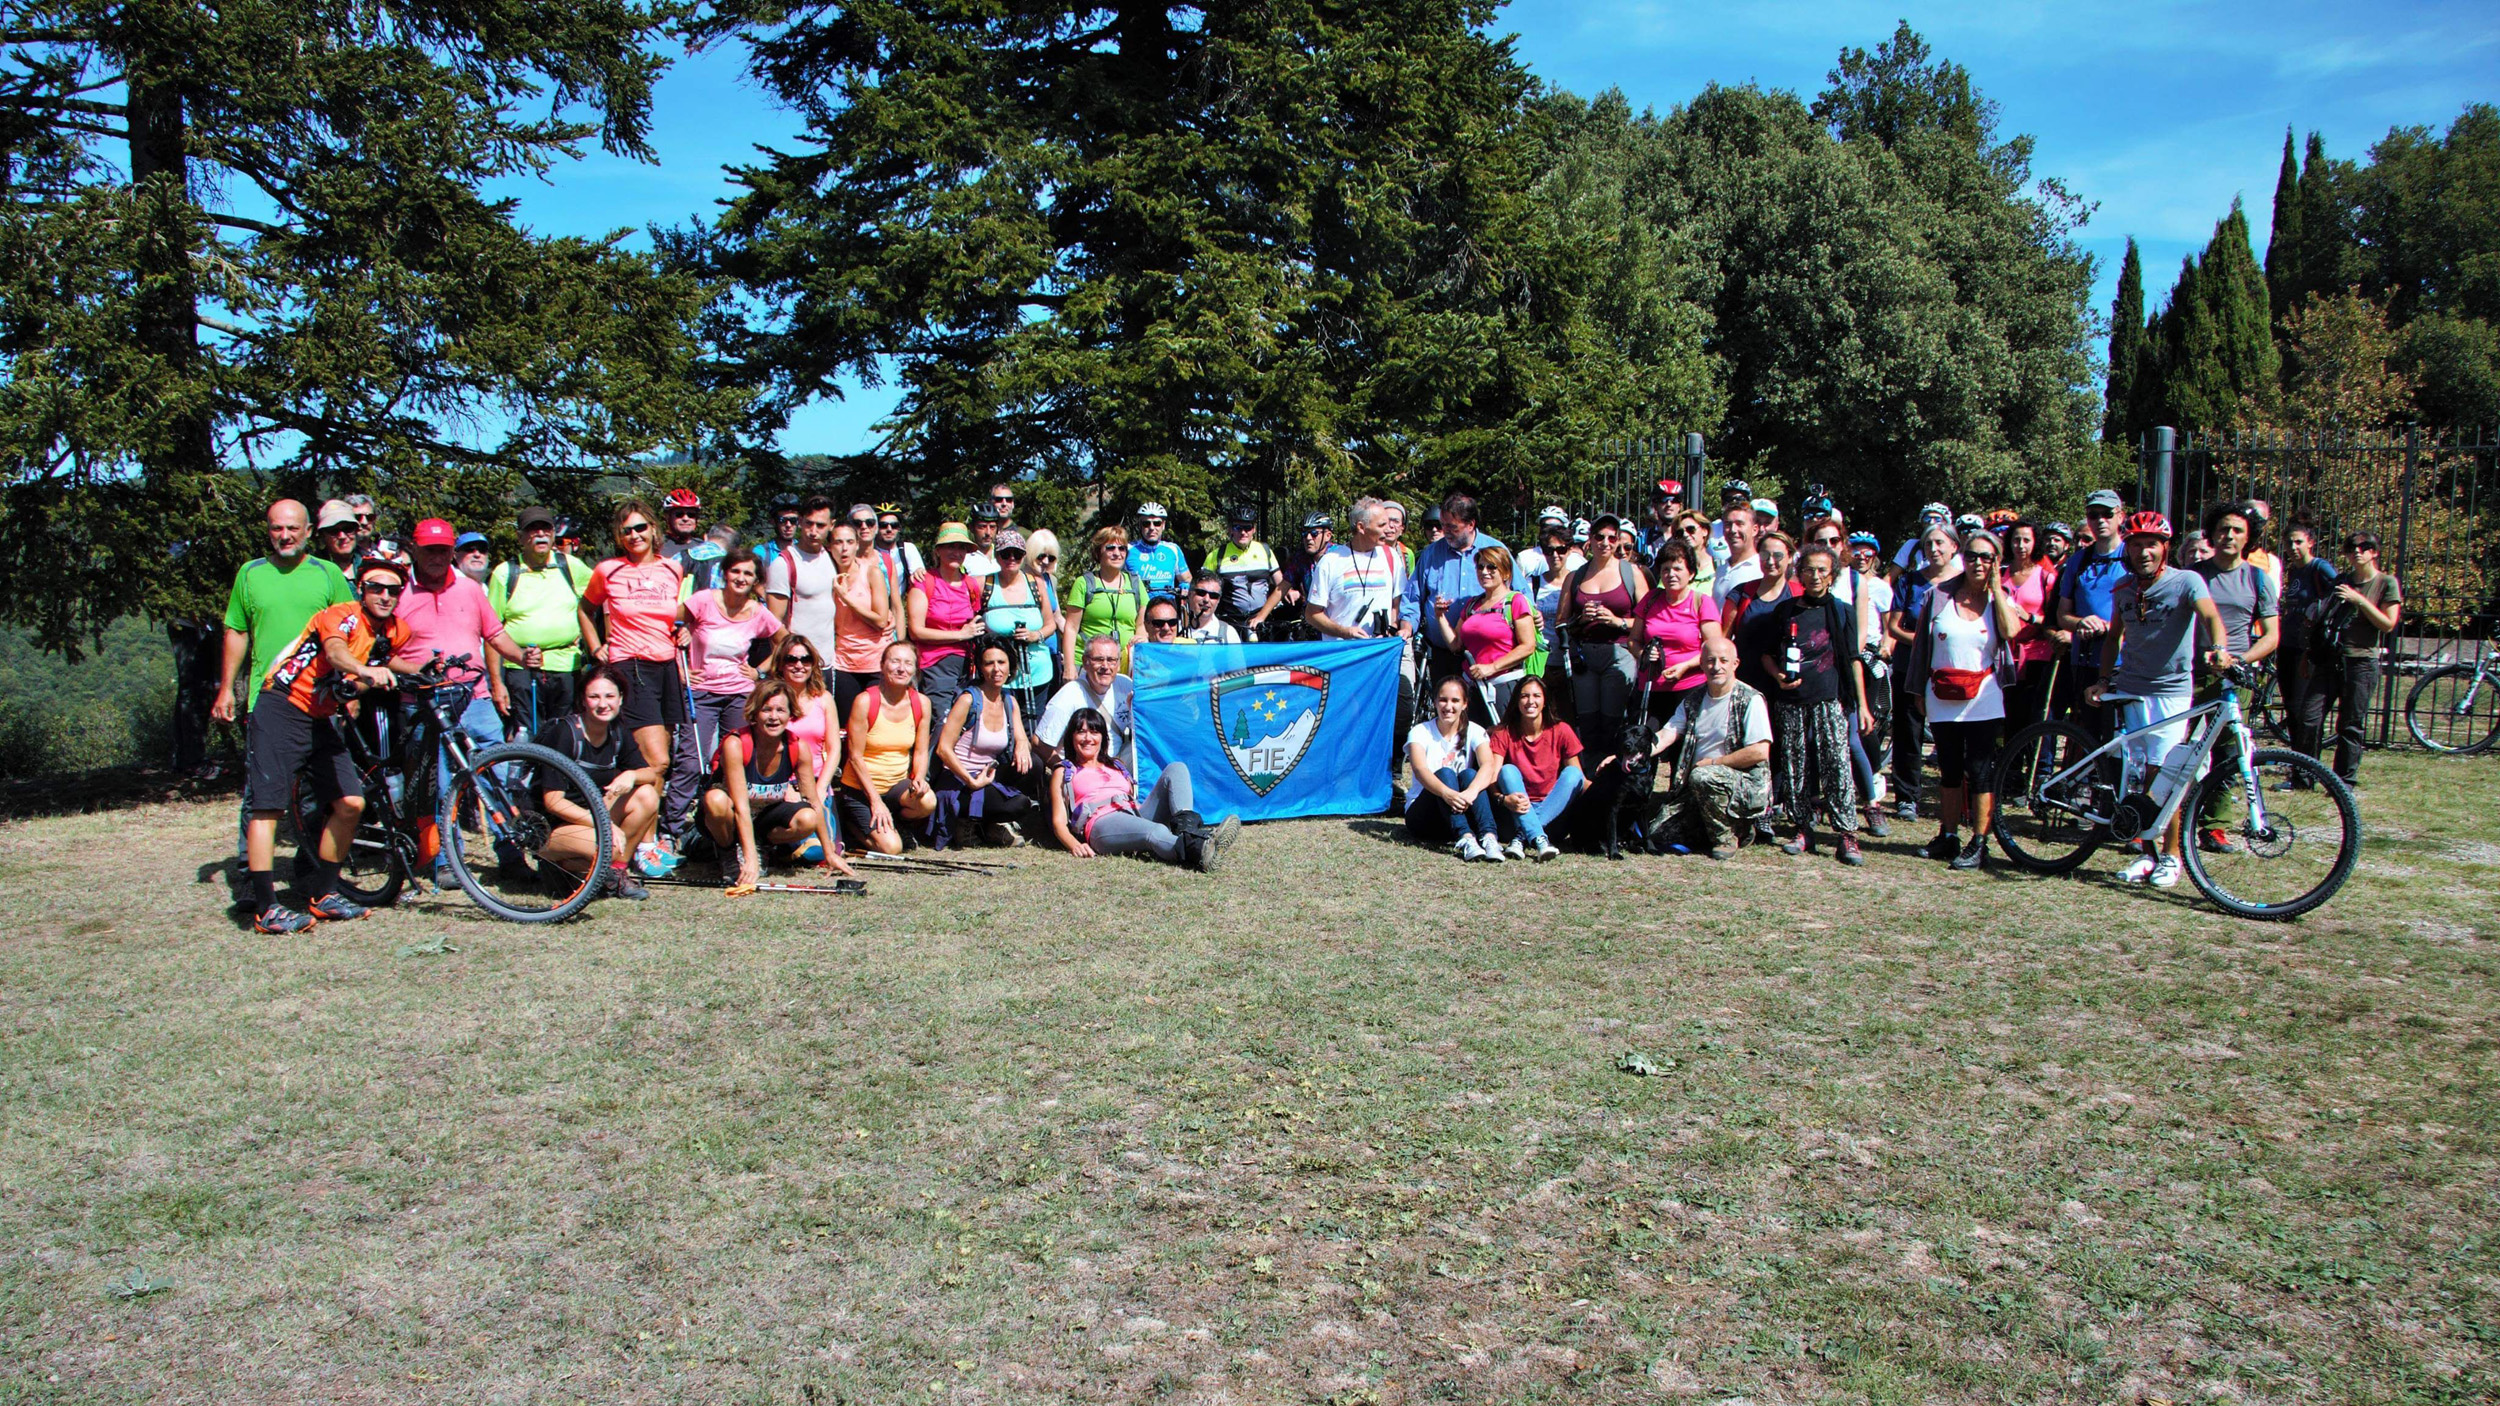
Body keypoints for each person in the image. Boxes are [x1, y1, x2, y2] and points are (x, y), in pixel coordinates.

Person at [242, 556, 419, 933]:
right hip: (281, 706)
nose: (384, 596)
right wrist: (363, 672)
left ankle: (324, 895)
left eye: (393, 589)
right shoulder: (341, 614)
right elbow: (338, 651)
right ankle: (266, 908)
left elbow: (390, 658)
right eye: (376, 587)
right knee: (268, 808)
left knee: (351, 803)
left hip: (321, 717)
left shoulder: (393, 629)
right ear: (362, 589)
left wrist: (428, 669)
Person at [2086, 512, 2233, 889]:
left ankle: (2171, 856)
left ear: (2164, 548)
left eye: (2150, 544)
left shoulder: (2187, 581)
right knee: (2140, 778)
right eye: (2135, 544)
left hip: (2171, 692)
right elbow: (2113, 638)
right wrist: (2104, 680)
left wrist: (2218, 648)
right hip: (2132, 688)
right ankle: (2148, 856)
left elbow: (2211, 616)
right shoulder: (2122, 588)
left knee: (2168, 778)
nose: (2143, 552)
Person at [396, 517, 532, 876]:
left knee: (496, 776)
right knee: (441, 786)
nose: (437, 557)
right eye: (430, 550)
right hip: (426, 702)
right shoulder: (399, 591)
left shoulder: (470, 589)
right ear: (415, 550)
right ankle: (446, 861)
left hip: (475, 697)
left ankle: (511, 853)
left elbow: (495, 633)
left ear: (452, 552)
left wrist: (521, 656)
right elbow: (382, 648)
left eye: (443, 550)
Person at [580, 499, 691, 877]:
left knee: (659, 762)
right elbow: (585, 608)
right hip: (631, 666)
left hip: (666, 667)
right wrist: (597, 647)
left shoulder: (671, 569)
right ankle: (631, 842)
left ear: (654, 530)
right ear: (618, 535)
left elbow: (673, 615)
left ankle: (650, 841)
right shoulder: (608, 570)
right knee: (654, 760)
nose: (635, 535)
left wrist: (685, 629)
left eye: (641, 528)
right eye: (627, 530)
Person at [1911, 528, 2024, 869]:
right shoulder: (1939, 595)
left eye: (1987, 557)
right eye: (1973, 555)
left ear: (1996, 562)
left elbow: (2012, 631)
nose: (1978, 562)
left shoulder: (1999, 597)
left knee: (1979, 771)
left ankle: (1980, 841)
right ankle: (1948, 835)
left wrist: (1996, 592)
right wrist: (1918, 690)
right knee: (1948, 769)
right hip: (1941, 693)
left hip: (1983, 696)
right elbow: (1921, 647)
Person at [213, 500, 354, 736]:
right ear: (268, 531)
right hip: (266, 699)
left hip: (318, 698)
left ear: (308, 531)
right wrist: (226, 689)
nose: (285, 536)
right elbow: (237, 632)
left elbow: (352, 633)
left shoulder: (329, 573)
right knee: (270, 773)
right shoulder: (250, 574)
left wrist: (350, 686)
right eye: (277, 529)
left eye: (293, 528)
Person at [1766, 545, 1866, 865]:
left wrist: (1862, 704)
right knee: (1795, 766)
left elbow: (1853, 660)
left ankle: (1847, 834)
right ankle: (1802, 828)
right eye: (1809, 569)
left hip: (1830, 697)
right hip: (1792, 699)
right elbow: (1767, 654)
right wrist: (1778, 676)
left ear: (1833, 575)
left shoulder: (1841, 611)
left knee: (1836, 764)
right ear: (1800, 572)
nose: (1816, 576)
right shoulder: (1785, 611)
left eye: (1823, 570)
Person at [1047, 707, 1239, 870]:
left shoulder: (1116, 764)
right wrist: (1074, 845)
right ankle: (1200, 850)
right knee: (1154, 832)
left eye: (1094, 731)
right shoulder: (1065, 771)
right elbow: (1058, 822)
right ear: (1071, 737)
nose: (1088, 738)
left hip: (1134, 813)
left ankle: (1187, 830)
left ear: (1103, 737)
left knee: (1176, 768)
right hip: (1101, 824)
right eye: (1081, 732)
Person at [701, 681, 853, 886]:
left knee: (807, 817)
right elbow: (741, 807)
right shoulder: (736, 744)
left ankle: (760, 846)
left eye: (781, 710)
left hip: (764, 817)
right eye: (767, 710)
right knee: (715, 799)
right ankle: (727, 851)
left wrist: (830, 853)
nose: (774, 717)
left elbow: (814, 801)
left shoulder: (797, 747)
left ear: (791, 715)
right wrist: (751, 861)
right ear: (755, 713)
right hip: (730, 814)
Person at [531, 665, 660, 901]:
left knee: (647, 795)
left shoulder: (617, 730)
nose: (603, 704)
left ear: (621, 698)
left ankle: (615, 874)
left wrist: (631, 776)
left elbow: (650, 774)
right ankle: (554, 864)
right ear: (583, 700)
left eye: (610, 696)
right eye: (594, 697)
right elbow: (553, 802)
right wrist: (604, 825)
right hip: (552, 827)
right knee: (609, 847)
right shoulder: (565, 732)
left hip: (592, 815)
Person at [2193, 501, 2279, 851]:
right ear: (2211, 535)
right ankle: (2159, 820)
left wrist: (2236, 659)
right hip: (2191, 673)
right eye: (2223, 529)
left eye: (2237, 530)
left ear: (2249, 538)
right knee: (2176, 748)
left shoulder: (2257, 578)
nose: (2229, 536)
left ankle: (2214, 826)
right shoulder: (2192, 574)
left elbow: (2272, 636)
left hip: (2234, 676)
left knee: (2229, 752)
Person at [677, 546, 784, 829]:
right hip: (700, 691)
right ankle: (672, 828)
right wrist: (681, 670)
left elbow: (785, 641)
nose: (740, 577)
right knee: (690, 761)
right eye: (735, 570)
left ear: (755, 580)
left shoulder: (758, 612)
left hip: (738, 694)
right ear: (724, 573)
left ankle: (730, 825)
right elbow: (670, 627)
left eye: (748, 573)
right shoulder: (702, 601)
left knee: (732, 763)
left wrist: (759, 671)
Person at [1649, 637, 1773, 859]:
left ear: (1735, 664)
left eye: (1724, 660)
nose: (1717, 667)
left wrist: (1715, 763)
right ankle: (1714, 828)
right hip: (1701, 786)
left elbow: (1759, 752)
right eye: (1710, 661)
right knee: (1658, 833)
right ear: (1702, 664)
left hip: (1740, 784)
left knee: (1703, 776)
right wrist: (1628, 755)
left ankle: (1728, 836)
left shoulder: (1750, 699)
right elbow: (1667, 735)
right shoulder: (1693, 701)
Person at [2298, 530, 2402, 787]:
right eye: (2350, 547)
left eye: (2364, 546)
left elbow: (2388, 624)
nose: (2357, 551)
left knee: (2350, 724)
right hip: (2329, 659)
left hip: (2361, 662)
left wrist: (2361, 601)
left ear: (2374, 552)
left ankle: (2343, 782)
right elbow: (2324, 618)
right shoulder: (2341, 581)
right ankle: (2304, 776)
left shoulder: (2386, 583)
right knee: (2309, 718)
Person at [1885, 522, 1964, 822]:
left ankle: (1956, 796)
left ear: (1954, 547)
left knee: (1951, 733)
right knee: (1909, 731)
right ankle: (1907, 797)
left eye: (1941, 543)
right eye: (1929, 544)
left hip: (1951, 668)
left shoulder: (1962, 582)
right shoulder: (1910, 581)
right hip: (1911, 665)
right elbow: (1894, 626)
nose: (1934, 549)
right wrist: (1925, 643)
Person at [489, 506, 591, 737]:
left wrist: (593, 641)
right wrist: (497, 683)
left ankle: (559, 773)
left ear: (553, 533)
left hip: (566, 665)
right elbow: (491, 631)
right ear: (521, 537)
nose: (540, 534)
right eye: (532, 530)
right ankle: (532, 773)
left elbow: (599, 598)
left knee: (564, 732)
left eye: (546, 529)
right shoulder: (505, 573)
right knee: (527, 733)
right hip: (520, 667)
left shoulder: (570, 566)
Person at [932, 636, 1039, 848]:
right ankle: (973, 822)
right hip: (959, 780)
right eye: (989, 663)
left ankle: (988, 825)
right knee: (1017, 804)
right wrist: (971, 781)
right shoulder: (968, 700)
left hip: (988, 775)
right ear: (981, 668)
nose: (996, 669)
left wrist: (1020, 744)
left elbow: (1022, 738)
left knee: (1034, 765)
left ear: (1010, 666)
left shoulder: (1009, 700)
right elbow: (943, 749)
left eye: (1001, 662)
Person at [1555, 515, 1648, 758]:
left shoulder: (1632, 573)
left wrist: (1618, 622)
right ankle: (1588, 773)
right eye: (1599, 536)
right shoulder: (1575, 577)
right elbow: (1561, 623)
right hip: (1585, 654)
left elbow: (1648, 618)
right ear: (1590, 540)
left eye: (1611, 538)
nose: (1605, 542)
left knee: (1613, 719)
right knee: (1587, 720)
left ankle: (1613, 769)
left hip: (1620, 653)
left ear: (1618, 541)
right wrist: (1581, 619)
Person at [1412, 494, 1527, 687]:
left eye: (1452, 527)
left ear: (1471, 525)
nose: (1444, 531)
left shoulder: (1495, 550)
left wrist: (1532, 615)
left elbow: (1522, 594)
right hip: (1443, 652)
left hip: (1488, 660)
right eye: (1443, 525)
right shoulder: (1431, 553)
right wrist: (1408, 627)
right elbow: (1412, 597)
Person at [839, 641, 938, 853]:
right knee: (892, 849)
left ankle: (897, 824)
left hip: (896, 788)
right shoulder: (865, 701)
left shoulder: (921, 703)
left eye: (908, 663)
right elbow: (855, 757)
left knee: (927, 800)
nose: (901, 668)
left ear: (915, 669)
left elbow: (920, 751)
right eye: (895, 662)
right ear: (883, 665)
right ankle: (851, 828)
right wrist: (875, 801)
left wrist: (919, 778)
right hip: (862, 790)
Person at [1404, 676, 1504, 861]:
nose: (1448, 706)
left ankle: (1489, 837)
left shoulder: (1475, 730)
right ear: (1434, 701)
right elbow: (1420, 770)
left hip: (1459, 808)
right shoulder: (1420, 732)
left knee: (1470, 774)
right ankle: (1465, 838)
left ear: (1465, 704)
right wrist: (1446, 793)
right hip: (1425, 816)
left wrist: (1471, 792)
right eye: (1443, 700)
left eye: (1455, 701)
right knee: (1445, 773)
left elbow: (1488, 765)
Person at [2055, 488, 2131, 727]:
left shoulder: (2133, 556)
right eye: (2093, 514)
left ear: (2121, 515)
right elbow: (2062, 615)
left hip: (2124, 662)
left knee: (2120, 737)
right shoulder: (2078, 561)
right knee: (2087, 735)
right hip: (2085, 661)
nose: (2100, 520)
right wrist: (2081, 623)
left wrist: (2110, 627)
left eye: (2107, 513)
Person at [1488, 676, 1582, 861]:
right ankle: (1536, 835)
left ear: (1545, 700)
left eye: (1536, 696)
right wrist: (1503, 799)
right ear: (1516, 701)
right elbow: (1491, 778)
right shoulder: (1503, 732)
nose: (1530, 701)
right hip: (1515, 811)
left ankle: (1523, 836)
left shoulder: (1562, 730)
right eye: (1524, 696)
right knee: (1507, 770)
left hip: (1553, 814)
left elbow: (1578, 780)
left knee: (1573, 773)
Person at [1634, 538, 1723, 724]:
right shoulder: (1650, 600)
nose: (1670, 574)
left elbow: (1714, 649)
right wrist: (1643, 654)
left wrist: (1685, 666)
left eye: (1677, 569)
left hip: (1689, 687)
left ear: (1691, 574)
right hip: (1651, 688)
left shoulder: (1701, 603)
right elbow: (1633, 641)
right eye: (1665, 569)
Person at [1450, 544, 1537, 725]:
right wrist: (1439, 617)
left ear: (1505, 573)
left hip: (1503, 686)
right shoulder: (1472, 604)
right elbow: (1456, 645)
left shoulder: (1516, 601)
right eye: (1480, 567)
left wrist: (1492, 668)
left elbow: (1528, 645)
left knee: (1502, 741)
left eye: (1491, 567)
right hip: (1472, 687)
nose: (1484, 572)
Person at [908, 522, 985, 722]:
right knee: (939, 722)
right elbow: (916, 630)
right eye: (950, 546)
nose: (956, 552)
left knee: (962, 722)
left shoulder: (971, 584)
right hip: (934, 665)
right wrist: (960, 634)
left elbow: (975, 622)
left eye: (961, 547)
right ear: (938, 550)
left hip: (966, 665)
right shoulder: (924, 582)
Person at [981, 531, 1061, 719]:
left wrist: (1035, 635)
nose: (1011, 558)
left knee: (1033, 724)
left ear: (1024, 556)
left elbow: (1050, 624)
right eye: (1005, 553)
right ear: (996, 556)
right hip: (999, 672)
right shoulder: (985, 584)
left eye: (1017, 554)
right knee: (1002, 722)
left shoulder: (1037, 584)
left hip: (1036, 671)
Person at [2276, 518, 2338, 750]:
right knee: (2291, 707)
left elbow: (2339, 591)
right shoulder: (2294, 571)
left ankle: (2306, 767)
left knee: (2304, 709)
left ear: (2310, 542)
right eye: (2289, 543)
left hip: (2308, 647)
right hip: (2288, 643)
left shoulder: (2319, 567)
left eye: (2298, 542)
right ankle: (2297, 760)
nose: (2293, 548)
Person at [1998, 520, 2062, 732]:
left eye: (2026, 540)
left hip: (2037, 654)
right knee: (2006, 714)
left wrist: (2030, 617)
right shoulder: (1999, 575)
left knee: (2031, 714)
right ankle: (2008, 763)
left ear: (2036, 543)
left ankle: (2033, 761)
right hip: (2003, 653)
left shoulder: (2046, 577)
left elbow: (2055, 620)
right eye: (2016, 540)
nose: (2021, 545)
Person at [1036, 634, 1136, 768]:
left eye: (1111, 660)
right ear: (1085, 662)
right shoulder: (1069, 695)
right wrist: (1066, 772)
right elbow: (1039, 743)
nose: (1105, 666)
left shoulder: (1126, 685)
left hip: (1116, 763)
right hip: (1082, 767)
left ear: (1118, 663)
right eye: (1098, 659)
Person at [828, 517, 893, 721]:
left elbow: (881, 620)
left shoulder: (871, 573)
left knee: (876, 724)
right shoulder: (827, 576)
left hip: (876, 661)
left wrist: (845, 597)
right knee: (846, 726)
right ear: (830, 547)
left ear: (857, 545)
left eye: (849, 542)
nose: (844, 549)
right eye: (838, 542)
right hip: (844, 663)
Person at [766, 497, 840, 674]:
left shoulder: (833, 558)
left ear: (831, 525)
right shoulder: (784, 564)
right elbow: (773, 623)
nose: (813, 531)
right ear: (800, 522)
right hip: (796, 665)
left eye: (820, 525)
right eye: (809, 524)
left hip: (828, 663)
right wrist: (793, 656)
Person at [1064, 525, 1147, 673]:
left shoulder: (1135, 584)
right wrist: (1069, 667)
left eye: (1122, 548)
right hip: (1089, 665)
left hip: (1125, 664)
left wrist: (1140, 639)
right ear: (1098, 552)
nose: (1117, 553)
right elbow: (1071, 628)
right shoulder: (1083, 584)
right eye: (1110, 548)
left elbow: (1140, 625)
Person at [762, 631, 841, 778]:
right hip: (780, 782)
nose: (799, 665)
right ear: (780, 664)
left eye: (806, 659)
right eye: (791, 659)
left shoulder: (824, 699)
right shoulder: (768, 699)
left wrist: (822, 788)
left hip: (817, 779)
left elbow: (834, 749)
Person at [1210, 506, 1284, 639]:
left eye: (1248, 527)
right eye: (1238, 527)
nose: (1243, 532)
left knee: (1264, 659)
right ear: (1230, 529)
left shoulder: (1265, 550)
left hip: (1262, 619)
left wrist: (1291, 591)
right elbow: (1201, 585)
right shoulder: (1217, 555)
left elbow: (1282, 584)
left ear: (1254, 529)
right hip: (1231, 622)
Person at [870, 507, 923, 639]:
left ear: (899, 528)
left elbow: (919, 574)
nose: (889, 529)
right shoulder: (870, 552)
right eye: (883, 525)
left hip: (897, 608)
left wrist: (918, 572)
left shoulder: (906, 549)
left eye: (894, 525)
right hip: (873, 611)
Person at [1279, 513, 1333, 633]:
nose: (1308, 538)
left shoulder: (1339, 556)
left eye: (1314, 533)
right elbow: (1282, 587)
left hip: (1336, 622)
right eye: (1304, 533)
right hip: (1312, 622)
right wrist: (1261, 617)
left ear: (1328, 535)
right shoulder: (1301, 558)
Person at [1127, 503, 1190, 603]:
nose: (1152, 528)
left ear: (1163, 525)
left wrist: (1185, 586)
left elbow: (1186, 579)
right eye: (1146, 523)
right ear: (1140, 525)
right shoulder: (1128, 549)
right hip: (1138, 608)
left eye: (1157, 523)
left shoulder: (1173, 550)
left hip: (1167, 607)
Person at [1710, 501, 1760, 607]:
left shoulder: (1761, 569)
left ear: (1755, 530)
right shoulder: (1721, 570)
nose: (1733, 530)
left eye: (1739, 524)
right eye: (1728, 524)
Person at [1179, 571, 1243, 645]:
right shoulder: (1174, 629)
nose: (1206, 600)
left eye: (1213, 596)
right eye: (1201, 593)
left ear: (1218, 600)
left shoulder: (1229, 634)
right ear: (1189, 594)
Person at [658, 487, 706, 568]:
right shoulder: (657, 547)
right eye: (679, 514)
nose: (685, 518)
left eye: (691, 515)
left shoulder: (703, 547)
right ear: (667, 517)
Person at [314, 501, 364, 576]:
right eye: (333, 531)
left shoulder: (369, 565)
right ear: (323, 536)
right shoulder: (313, 568)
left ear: (356, 530)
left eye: (348, 529)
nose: (342, 536)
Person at [754, 496, 801, 574]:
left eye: (793, 520)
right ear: (773, 522)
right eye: (782, 520)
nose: (788, 525)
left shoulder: (804, 552)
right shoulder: (762, 553)